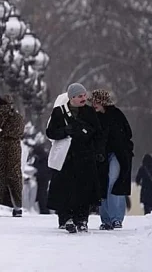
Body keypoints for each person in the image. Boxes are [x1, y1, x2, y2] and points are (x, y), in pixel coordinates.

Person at [46, 83, 104, 233]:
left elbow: (98, 134)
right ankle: (66, 218)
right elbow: (50, 132)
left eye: (84, 95)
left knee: (84, 190)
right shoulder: (59, 112)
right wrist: (65, 131)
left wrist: (98, 151)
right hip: (66, 158)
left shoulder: (90, 112)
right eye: (80, 96)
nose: (84, 98)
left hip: (85, 157)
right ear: (71, 98)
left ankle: (82, 220)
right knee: (65, 189)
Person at [92, 89, 134, 230]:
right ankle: (106, 219)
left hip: (117, 154)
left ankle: (116, 218)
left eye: (97, 101)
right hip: (101, 156)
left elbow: (126, 134)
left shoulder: (116, 115)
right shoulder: (94, 117)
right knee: (103, 185)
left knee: (113, 183)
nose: (94, 104)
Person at [29, 132, 51, 214]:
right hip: (45, 175)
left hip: (42, 176)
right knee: (42, 193)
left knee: (41, 193)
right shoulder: (43, 154)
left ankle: (43, 209)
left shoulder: (39, 156)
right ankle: (43, 209)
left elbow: (41, 168)